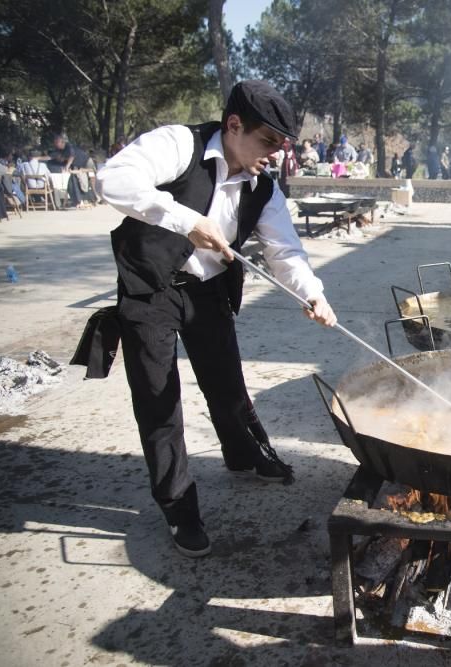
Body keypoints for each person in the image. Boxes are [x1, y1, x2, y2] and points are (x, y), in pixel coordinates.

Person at [97, 80, 338, 558]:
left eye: (282, 146)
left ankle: (245, 453)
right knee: (159, 399)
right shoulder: (178, 145)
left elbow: (284, 251)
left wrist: (313, 294)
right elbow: (114, 178)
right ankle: (178, 506)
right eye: (267, 141)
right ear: (233, 126)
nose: (275, 154)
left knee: (226, 381)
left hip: (207, 289)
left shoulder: (263, 188)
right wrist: (185, 219)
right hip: (150, 287)